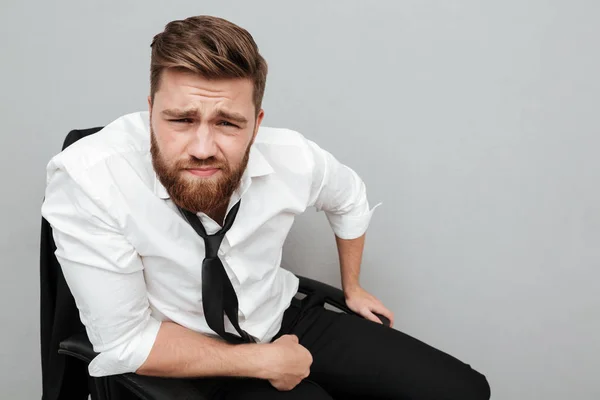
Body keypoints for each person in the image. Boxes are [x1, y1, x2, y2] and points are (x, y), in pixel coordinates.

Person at [41, 15, 490, 400]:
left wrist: (353, 286)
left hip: (278, 315)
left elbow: (349, 197)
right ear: (151, 109)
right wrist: (262, 362)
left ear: (256, 123)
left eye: (227, 123)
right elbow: (126, 340)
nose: (202, 148)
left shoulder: (292, 157)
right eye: (180, 120)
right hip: (185, 350)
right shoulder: (89, 177)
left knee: (466, 391)